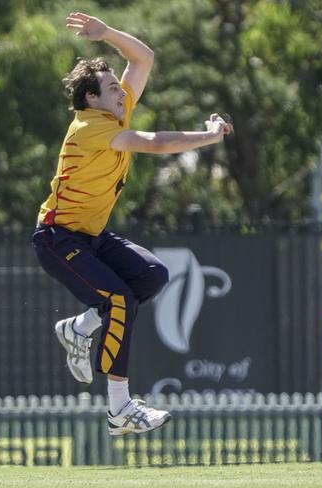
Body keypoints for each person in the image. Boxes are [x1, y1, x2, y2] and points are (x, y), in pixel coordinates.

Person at [32, 12, 230, 436]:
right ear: (90, 99)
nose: (121, 94)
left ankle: (79, 327)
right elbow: (157, 143)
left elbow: (143, 59)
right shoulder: (90, 128)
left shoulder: (113, 112)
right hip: (57, 239)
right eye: (110, 89)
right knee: (119, 300)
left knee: (153, 276)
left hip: (89, 237)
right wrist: (208, 136)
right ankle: (119, 409)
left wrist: (107, 35)